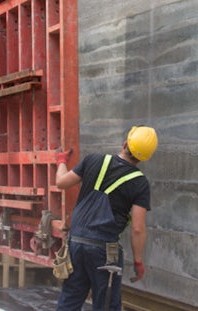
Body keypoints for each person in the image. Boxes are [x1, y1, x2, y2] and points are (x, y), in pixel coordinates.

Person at [54, 126, 159, 311]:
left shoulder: (93, 160)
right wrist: (138, 261)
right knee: (106, 305)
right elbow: (137, 228)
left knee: (69, 300)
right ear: (145, 158)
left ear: (125, 143)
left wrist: (61, 161)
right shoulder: (140, 183)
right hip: (105, 252)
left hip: (76, 244)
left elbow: (61, 182)